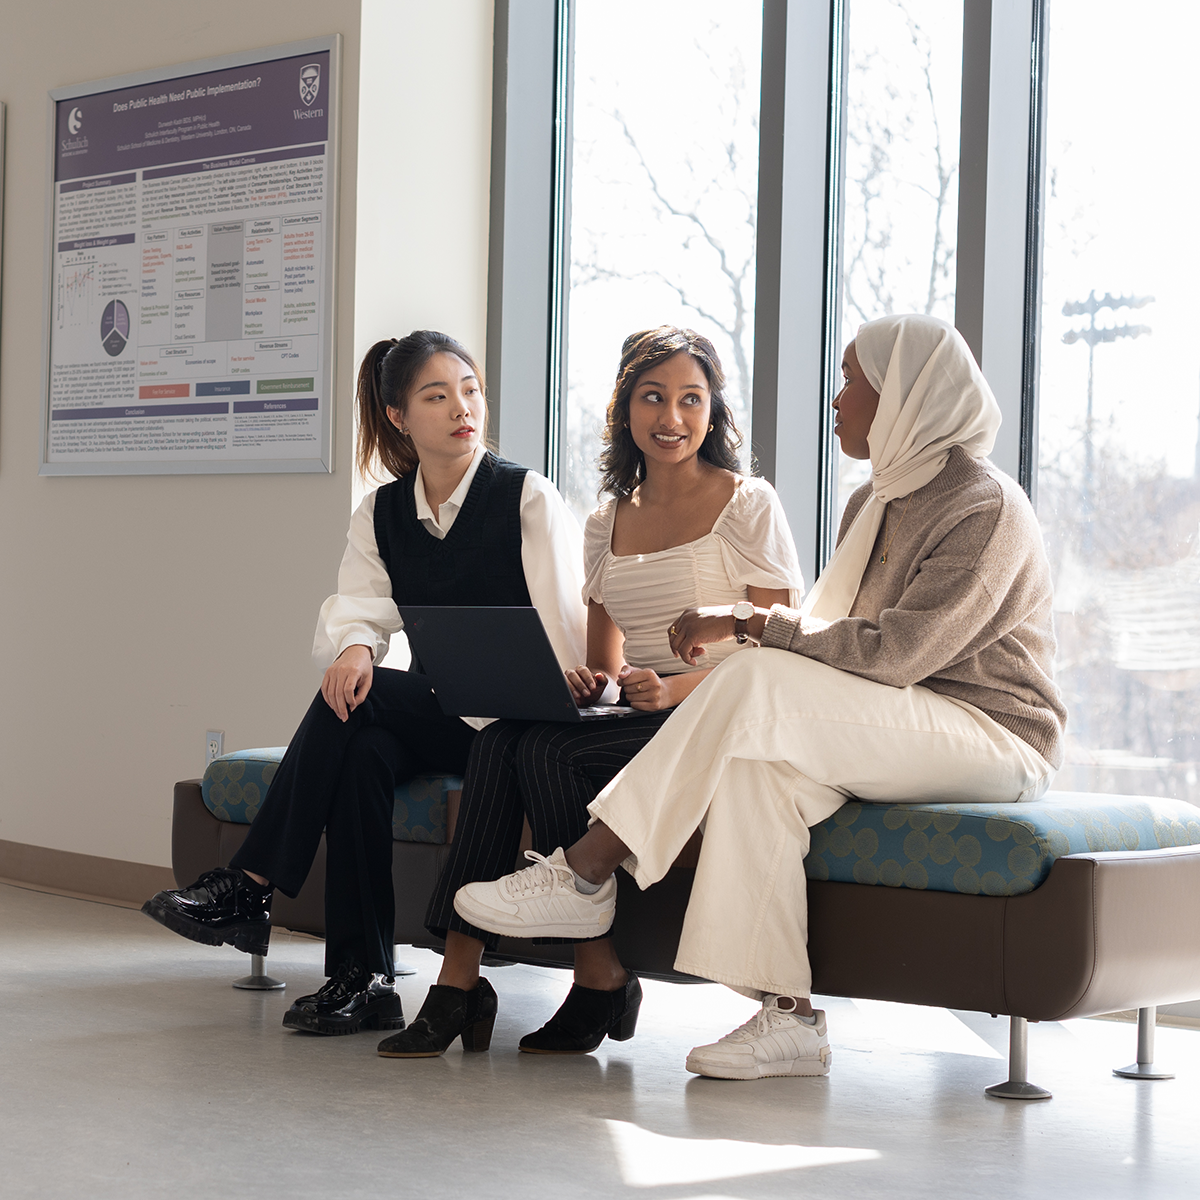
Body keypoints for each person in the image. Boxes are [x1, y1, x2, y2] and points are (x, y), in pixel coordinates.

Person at [455, 314, 1067, 1079]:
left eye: (852, 378)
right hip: (904, 719)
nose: (836, 397)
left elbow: (897, 654)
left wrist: (746, 619)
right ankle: (789, 1018)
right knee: (753, 769)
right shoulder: (876, 500)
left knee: (750, 673)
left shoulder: (984, 507)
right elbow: (844, 643)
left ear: (906, 393)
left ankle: (584, 869)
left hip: (992, 733)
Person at [374, 325, 804, 1059]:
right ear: (626, 409)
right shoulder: (607, 521)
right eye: (654, 398)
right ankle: (539, 974)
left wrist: (675, 692)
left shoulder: (748, 504)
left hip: (722, 712)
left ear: (714, 411)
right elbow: (606, 660)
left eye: (691, 400)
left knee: (537, 748)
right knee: (504, 735)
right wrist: (598, 680)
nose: (672, 418)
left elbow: (781, 651)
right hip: (639, 714)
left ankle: (540, 975)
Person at [142, 330, 587, 1036]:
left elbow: (567, 631)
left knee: (366, 698)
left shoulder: (525, 497)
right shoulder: (382, 512)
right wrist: (354, 647)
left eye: (469, 390)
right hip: (445, 719)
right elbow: (361, 605)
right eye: (436, 396)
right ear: (399, 416)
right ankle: (364, 979)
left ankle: (250, 885)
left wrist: (363, 662)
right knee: (360, 745)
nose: (461, 408)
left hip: (520, 734)